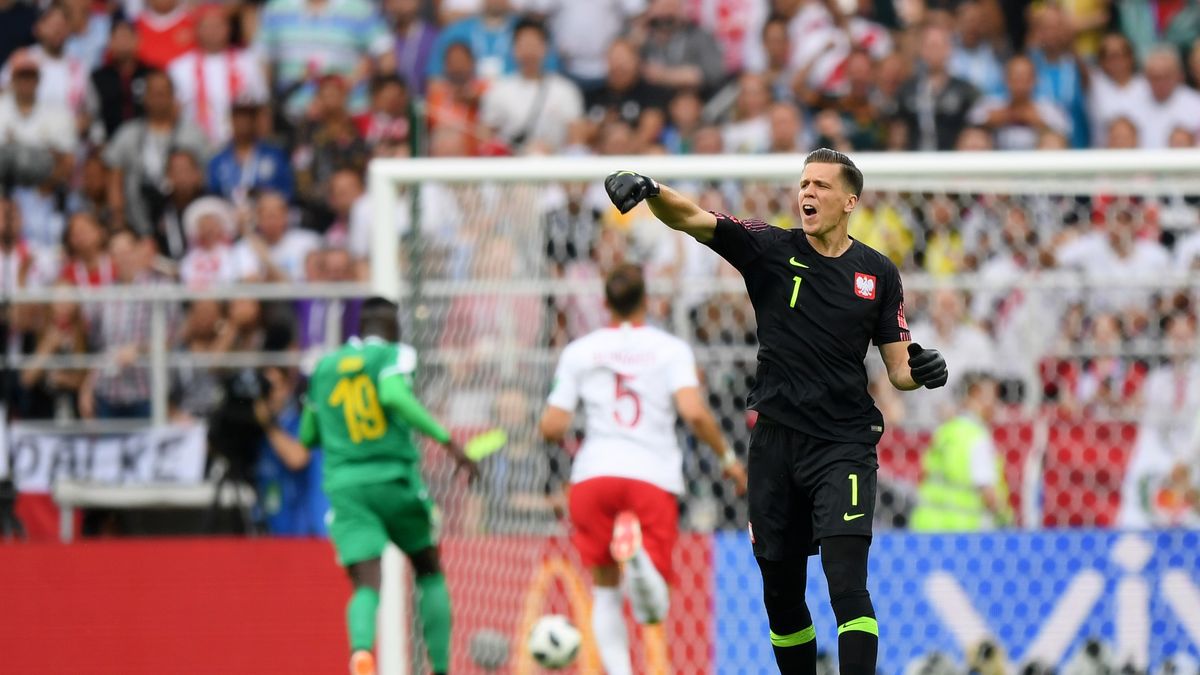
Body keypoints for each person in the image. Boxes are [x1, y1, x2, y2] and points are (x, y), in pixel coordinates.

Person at [602, 148, 948, 675]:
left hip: (844, 445)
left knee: (846, 580)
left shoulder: (878, 273)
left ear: (850, 200)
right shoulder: (769, 248)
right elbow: (695, 218)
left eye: (821, 186)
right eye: (804, 183)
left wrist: (922, 370)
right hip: (775, 445)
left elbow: (898, 367)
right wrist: (651, 190)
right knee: (781, 596)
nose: (807, 193)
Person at [537, 263, 747, 675]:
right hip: (651, 474)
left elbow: (553, 425)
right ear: (645, 301)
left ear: (604, 303)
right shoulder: (670, 349)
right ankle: (638, 560)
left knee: (605, 592)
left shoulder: (581, 351)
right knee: (654, 609)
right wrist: (728, 459)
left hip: (594, 474)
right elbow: (693, 412)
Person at [299, 297, 477, 675]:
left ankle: (361, 652)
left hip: (346, 487)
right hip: (393, 480)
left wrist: (340, 433)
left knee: (366, 584)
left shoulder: (324, 367)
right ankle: (441, 668)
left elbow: (307, 435)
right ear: (393, 327)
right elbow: (393, 395)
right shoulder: (395, 356)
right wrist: (447, 442)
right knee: (428, 568)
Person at [909, 372, 1013, 532]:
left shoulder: (945, 431)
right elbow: (988, 493)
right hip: (961, 531)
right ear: (975, 396)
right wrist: (1006, 520)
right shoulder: (977, 437)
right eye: (993, 396)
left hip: (927, 525)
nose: (996, 404)